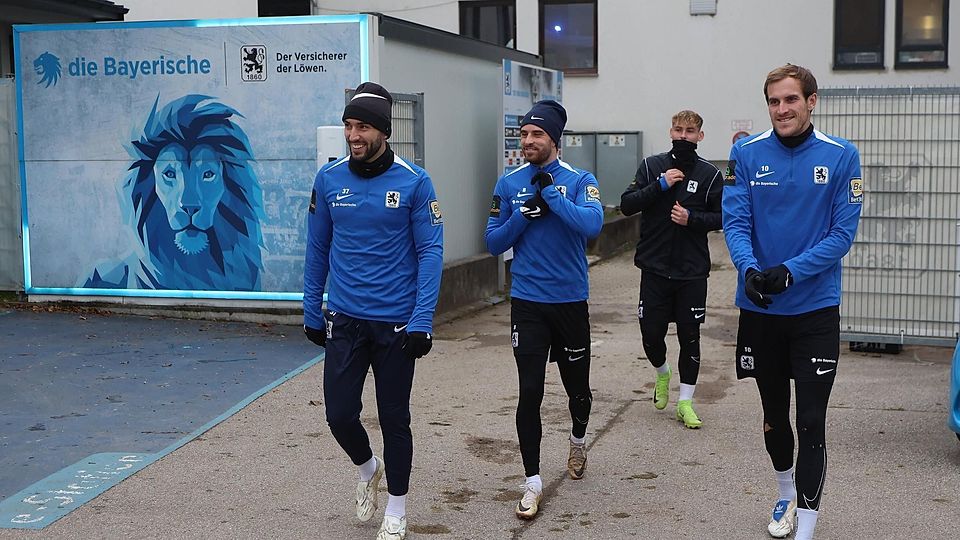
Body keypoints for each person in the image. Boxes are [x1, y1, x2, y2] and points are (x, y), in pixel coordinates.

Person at [722, 64, 862, 540]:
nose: (782, 109)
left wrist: (791, 271)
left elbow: (842, 235)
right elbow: (735, 222)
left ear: (811, 101)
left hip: (815, 310)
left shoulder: (842, 155)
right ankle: (785, 493)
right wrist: (749, 269)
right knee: (774, 418)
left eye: (791, 100)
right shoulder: (743, 153)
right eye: (774, 101)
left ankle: (806, 525)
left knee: (811, 421)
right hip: (761, 309)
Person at [302, 82, 444, 540]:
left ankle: (397, 510)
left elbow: (431, 252)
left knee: (394, 418)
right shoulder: (329, 179)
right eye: (348, 125)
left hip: (397, 323)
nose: (353, 135)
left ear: (383, 130)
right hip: (345, 318)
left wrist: (422, 319)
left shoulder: (415, 181)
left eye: (362, 126)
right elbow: (317, 247)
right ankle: (368, 468)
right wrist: (311, 308)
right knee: (340, 415)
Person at [484, 100, 603, 520]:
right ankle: (532, 481)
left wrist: (552, 197)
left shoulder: (580, 179)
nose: (528, 141)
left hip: (569, 301)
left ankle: (577, 440)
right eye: (524, 134)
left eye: (537, 134)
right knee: (530, 391)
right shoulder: (509, 182)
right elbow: (493, 242)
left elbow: (592, 225)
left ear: (555, 139)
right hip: (528, 303)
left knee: (578, 390)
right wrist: (522, 216)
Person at [619, 110, 723, 428]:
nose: (683, 136)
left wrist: (692, 220)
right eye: (678, 130)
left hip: (691, 271)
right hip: (654, 268)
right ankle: (662, 373)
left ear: (700, 136)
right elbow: (627, 204)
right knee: (651, 336)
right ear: (670, 132)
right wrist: (660, 185)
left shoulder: (710, 174)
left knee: (690, 337)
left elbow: (724, 217)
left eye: (690, 131)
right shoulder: (652, 166)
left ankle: (685, 402)